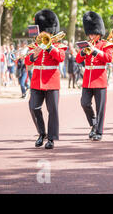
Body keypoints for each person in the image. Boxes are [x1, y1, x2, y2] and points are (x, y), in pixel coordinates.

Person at [25, 9, 66, 149]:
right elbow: (27, 61)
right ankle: (42, 133)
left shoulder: (58, 44)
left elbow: (60, 57)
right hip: (37, 81)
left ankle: (52, 139)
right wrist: (34, 55)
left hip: (52, 82)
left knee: (52, 110)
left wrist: (49, 47)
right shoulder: (35, 45)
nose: (43, 34)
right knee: (33, 107)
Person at [76, 11, 113, 142]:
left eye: (94, 33)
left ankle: (99, 131)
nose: (91, 36)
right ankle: (93, 124)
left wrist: (95, 51)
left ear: (99, 33)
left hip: (100, 79)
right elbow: (77, 58)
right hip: (87, 79)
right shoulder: (87, 44)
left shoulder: (105, 45)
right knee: (84, 103)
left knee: (100, 107)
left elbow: (108, 58)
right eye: (90, 33)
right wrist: (83, 51)